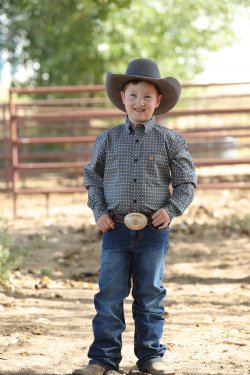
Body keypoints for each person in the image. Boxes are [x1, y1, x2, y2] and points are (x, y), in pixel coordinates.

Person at [73, 58, 196, 375]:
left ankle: (150, 357)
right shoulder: (108, 139)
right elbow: (93, 179)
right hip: (114, 226)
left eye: (147, 96)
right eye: (133, 95)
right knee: (109, 294)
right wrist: (99, 211)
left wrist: (170, 210)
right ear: (122, 99)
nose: (139, 102)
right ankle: (102, 359)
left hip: (154, 230)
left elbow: (186, 183)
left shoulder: (171, 140)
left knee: (150, 295)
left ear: (158, 101)